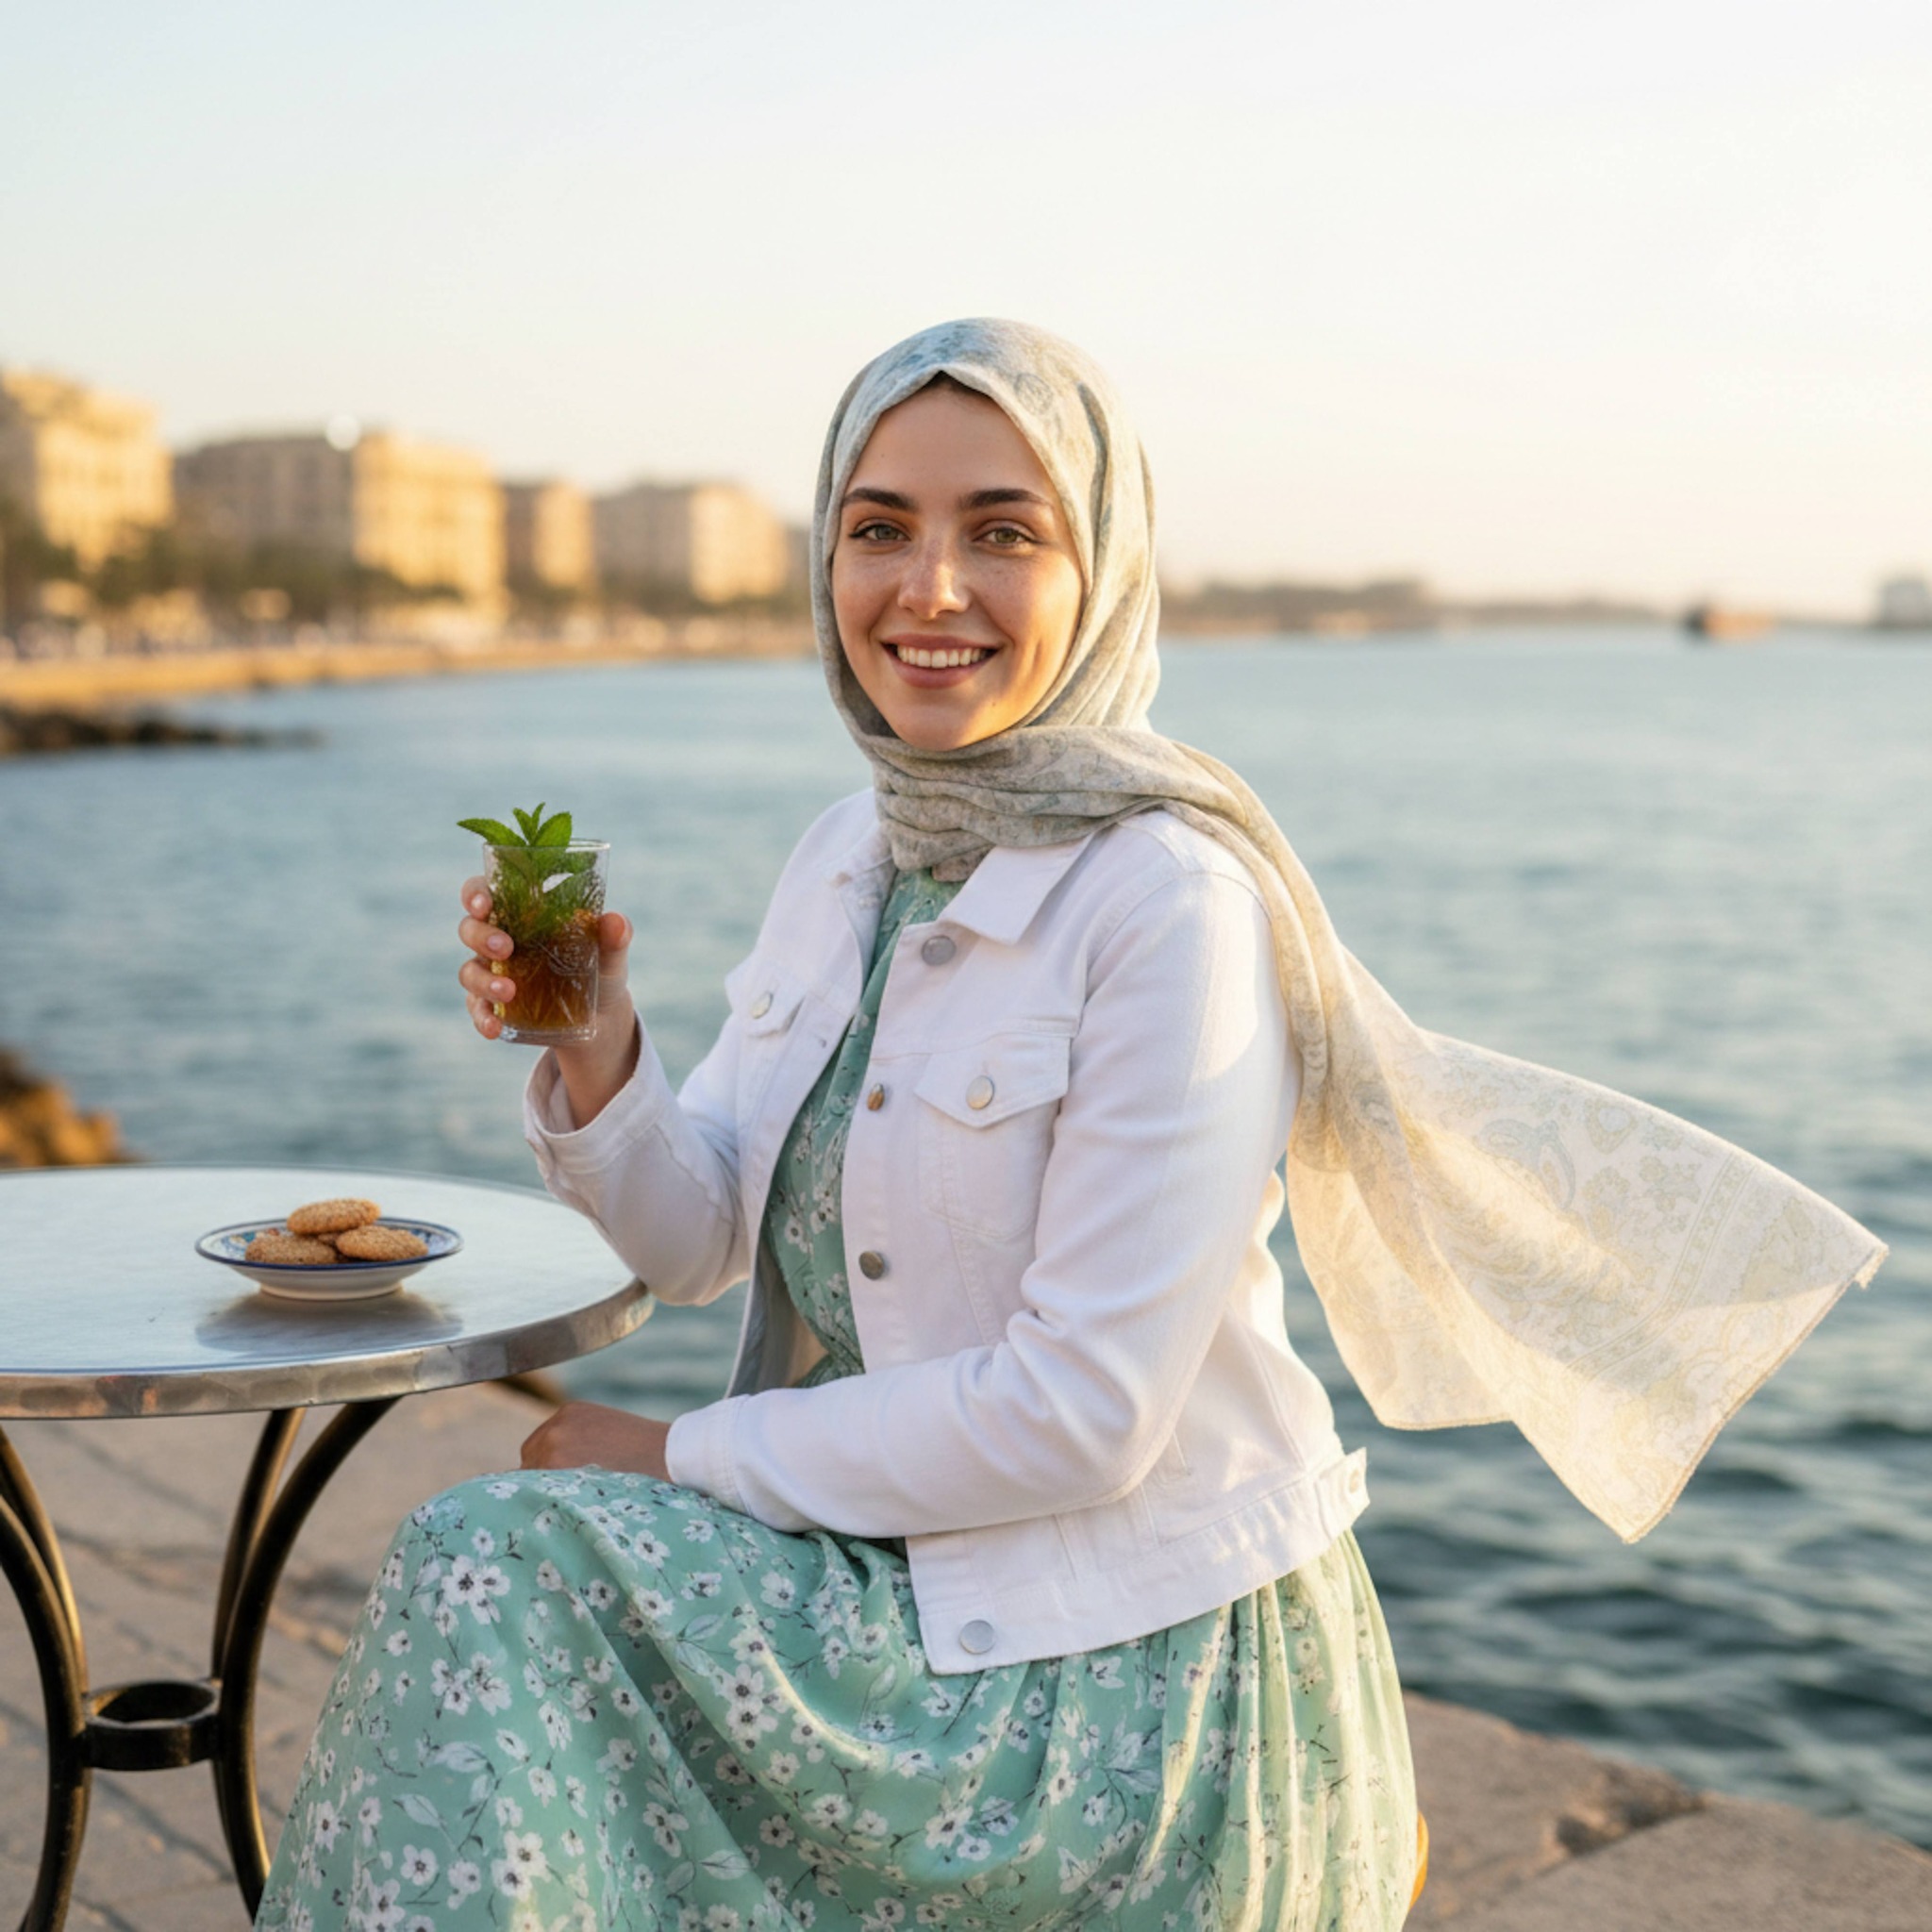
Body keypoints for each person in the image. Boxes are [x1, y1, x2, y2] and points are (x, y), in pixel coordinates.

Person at [255, 320, 1883, 1932]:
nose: (931, 589)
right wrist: (599, 1049)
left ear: (1101, 573)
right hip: (883, 1581)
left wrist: (676, 1453)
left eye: (1004, 533)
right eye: (879, 528)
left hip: (1114, 1677)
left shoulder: (1169, 895)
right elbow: (698, 1249)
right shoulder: (856, 848)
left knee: (501, 1565)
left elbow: (1083, 1415)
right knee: (499, 1579)